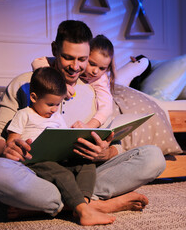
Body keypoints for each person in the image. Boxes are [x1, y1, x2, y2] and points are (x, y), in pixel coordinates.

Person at [0, 20, 166, 218]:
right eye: (68, 58)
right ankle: (94, 205)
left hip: (80, 174)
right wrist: (5, 148)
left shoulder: (94, 90)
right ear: (54, 49)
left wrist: (105, 153)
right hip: (35, 173)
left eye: (83, 59)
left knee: (153, 157)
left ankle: (63, 204)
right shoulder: (25, 83)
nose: (75, 67)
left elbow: (115, 144)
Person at [6, 66, 115, 225]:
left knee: (86, 164)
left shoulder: (56, 116)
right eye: (50, 104)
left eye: (58, 104)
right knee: (63, 175)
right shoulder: (24, 114)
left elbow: (62, 137)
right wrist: (19, 148)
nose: (55, 109)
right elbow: (11, 142)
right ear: (34, 97)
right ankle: (84, 211)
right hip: (34, 161)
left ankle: (82, 206)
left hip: (57, 159)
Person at [32, 34, 116, 129]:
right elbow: (37, 62)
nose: (95, 72)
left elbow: (106, 108)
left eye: (102, 68)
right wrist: (56, 82)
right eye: (92, 64)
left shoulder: (100, 80)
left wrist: (89, 126)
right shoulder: (72, 66)